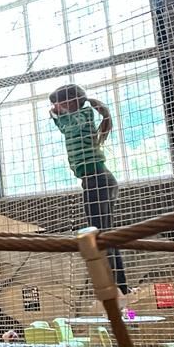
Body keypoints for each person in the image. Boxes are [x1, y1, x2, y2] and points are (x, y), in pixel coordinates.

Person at [49, 84, 128, 293]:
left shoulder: (84, 114)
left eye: (58, 102)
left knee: (100, 237)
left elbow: (73, 124)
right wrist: (57, 114)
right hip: (94, 180)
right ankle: (121, 289)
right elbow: (64, 127)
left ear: (72, 101)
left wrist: (60, 112)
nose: (55, 106)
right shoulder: (71, 120)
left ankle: (119, 289)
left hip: (98, 179)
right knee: (103, 235)